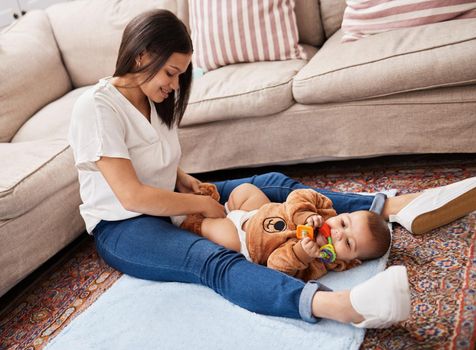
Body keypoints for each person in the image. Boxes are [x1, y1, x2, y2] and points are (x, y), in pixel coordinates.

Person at [68, 9, 476, 329]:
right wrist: (209, 209)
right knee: (212, 261)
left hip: (169, 201)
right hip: (124, 225)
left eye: (179, 75)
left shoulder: (152, 98)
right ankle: (339, 306)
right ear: (142, 55)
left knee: (269, 184)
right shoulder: (96, 107)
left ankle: (390, 206)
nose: (175, 86)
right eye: (172, 73)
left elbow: (149, 155)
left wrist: (183, 177)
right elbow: (131, 194)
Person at [178, 183, 391, 281]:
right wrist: (305, 216)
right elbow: (301, 195)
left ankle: (192, 219)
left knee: (215, 231)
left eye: (348, 244)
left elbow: (276, 267)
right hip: (257, 212)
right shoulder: (324, 212)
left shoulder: (316, 264)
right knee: (245, 190)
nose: (337, 234)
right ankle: (223, 208)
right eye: (343, 224)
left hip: (245, 242)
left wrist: (301, 253)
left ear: (349, 261)